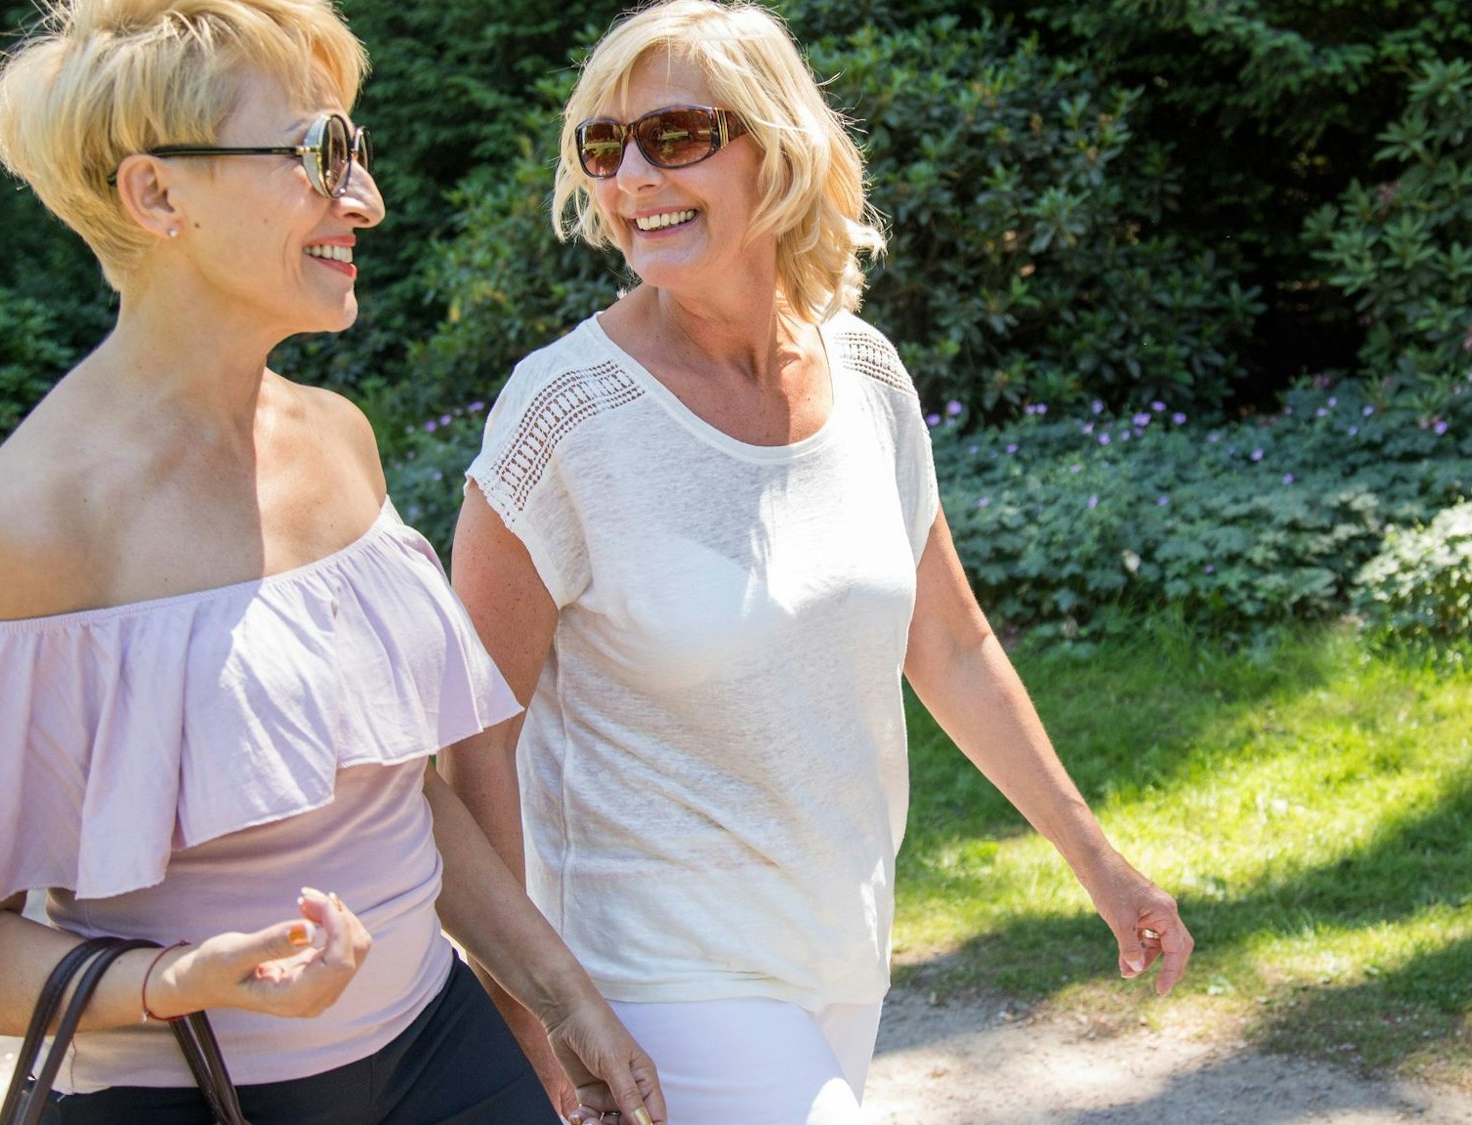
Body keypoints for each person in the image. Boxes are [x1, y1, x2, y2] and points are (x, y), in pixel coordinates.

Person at [0, 2, 665, 1122]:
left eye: (354, 153)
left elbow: (401, 800)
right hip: (200, 1098)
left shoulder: (337, 439)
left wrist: (562, 999)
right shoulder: (43, 522)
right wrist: (174, 983)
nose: (362, 198)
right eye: (320, 154)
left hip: (441, 1052)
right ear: (157, 194)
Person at [440, 2, 1194, 1122]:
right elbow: (472, 736)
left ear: (777, 148)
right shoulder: (562, 416)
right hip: (649, 969)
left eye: (675, 135)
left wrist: (1096, 860)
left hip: (838, 944)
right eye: (604, 146)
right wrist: (533, 1006)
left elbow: (946, 642)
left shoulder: (864, 374)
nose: (631, 173)